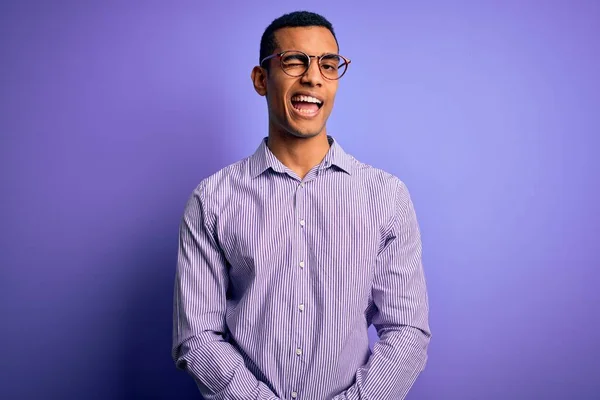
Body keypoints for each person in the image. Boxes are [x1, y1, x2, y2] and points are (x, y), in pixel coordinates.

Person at [172, 10, 431, 400]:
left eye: (329, 65)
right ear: (261, 79)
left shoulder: (386, 196)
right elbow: (198, 336)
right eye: (294, 61)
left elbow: (407, 331)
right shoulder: (212, 201)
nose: (313, 77)